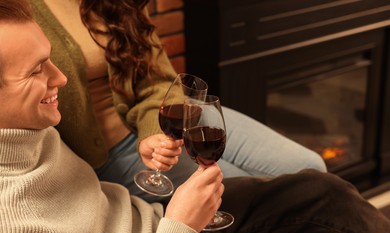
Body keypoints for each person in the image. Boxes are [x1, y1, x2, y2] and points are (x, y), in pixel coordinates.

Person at [1, 2, 390, 233]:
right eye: (37, 69)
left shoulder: (31, 130)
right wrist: (181, 225)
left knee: (315, 182)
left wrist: (156, 134)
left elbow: (156, 78)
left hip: (151, 209)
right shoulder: (12, 219)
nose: (61, 78)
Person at [30, 0, 327, 202]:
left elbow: (158, 79)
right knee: (247, 199)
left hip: (168, 120)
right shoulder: (16, 11)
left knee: (310, 168)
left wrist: (154, 133)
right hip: (107, 153)